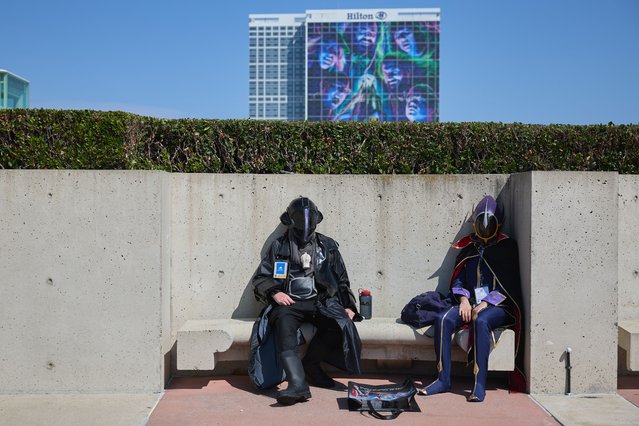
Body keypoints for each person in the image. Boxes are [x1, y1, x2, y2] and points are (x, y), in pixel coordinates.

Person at [252, 197, 362, 405]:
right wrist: (275, 292)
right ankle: (297, 384)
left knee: (341, 324)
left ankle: (312, 365)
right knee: (283, 324)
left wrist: (348, 305)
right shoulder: (279, 246)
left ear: (316, 219)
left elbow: (341, 278)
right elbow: (261, 277)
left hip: (321, 300)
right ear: (290, 219)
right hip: (290, 302)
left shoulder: (327, 245)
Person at [420, 195, 524, 402]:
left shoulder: (507, 247)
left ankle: (479, 385)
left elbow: (509, 286)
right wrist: (464, 301)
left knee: (481, 319)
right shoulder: (470, 248)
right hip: (470, 302)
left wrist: (486, 304)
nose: (485, 228)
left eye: (490, 223)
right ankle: (443, 379)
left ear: (498, 224)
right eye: (481, 223)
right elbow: (458, 281)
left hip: (497, 307)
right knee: (443, 319)